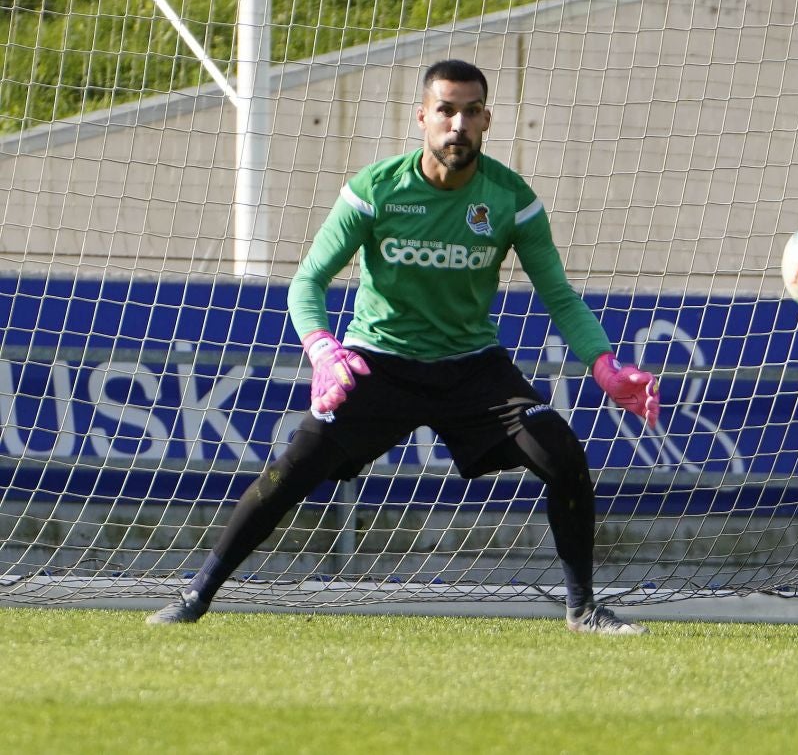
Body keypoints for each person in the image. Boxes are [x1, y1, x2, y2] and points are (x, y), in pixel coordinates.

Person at [148, 58, 660, 635]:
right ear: (422, 117)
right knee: (293, 469)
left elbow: (560, 297)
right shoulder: (375, 191)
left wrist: (604, 363)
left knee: (564, 456)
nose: (457, 124)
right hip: (379, 365)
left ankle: (583, 610)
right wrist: (322, 350)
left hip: (472, 371)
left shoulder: (511, 200)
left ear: (487, 120)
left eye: (470, 112)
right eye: (445, 110)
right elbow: (307, 282)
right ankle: (196, 594)